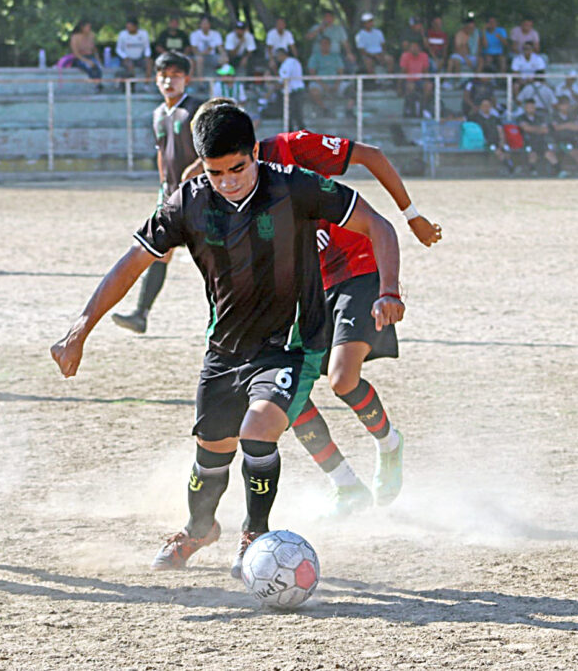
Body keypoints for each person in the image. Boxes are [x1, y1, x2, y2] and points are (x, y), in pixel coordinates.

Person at [51, 100, 404, 574]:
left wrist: (389, 290)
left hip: (293, 342)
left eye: (238, 168)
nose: (229, 181)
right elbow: (134, 261)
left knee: (257, 430)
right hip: (226, 349)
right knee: (211, 452)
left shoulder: (294, 188)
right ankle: (201, 529)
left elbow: (377, 225)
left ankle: (255, 534)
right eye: (217, 173)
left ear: (254, 153)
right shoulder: (188, 202)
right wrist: (81, 327)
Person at [255, 128, 439, 516]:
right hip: (308, 286)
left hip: (356, 268)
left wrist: (412, 216)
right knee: (287, 395)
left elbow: (371, 154)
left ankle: (389, 443)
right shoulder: (219, 190)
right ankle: (345, 486)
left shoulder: (291, 149)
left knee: (342, 379)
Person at [112, 52, 204, 334]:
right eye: (163, 74)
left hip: (201, 197)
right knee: (158, 252)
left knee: (215, 258)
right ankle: (141, 314)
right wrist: (163, 185)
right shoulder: (157, 114)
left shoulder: (196, 111)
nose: (169, 80)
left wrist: (194, 170)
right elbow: (162, 153)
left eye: (176, 74)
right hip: (171, 198)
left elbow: (214, 150)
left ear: (187, 78)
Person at [307, 36, 352, 117]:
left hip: (336, 82)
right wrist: (324, 85)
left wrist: (336, 84)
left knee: (351, 89)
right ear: (320, 45)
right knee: (313, 91)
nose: (325, 46)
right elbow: (312, 73)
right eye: (323, 44)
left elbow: (340, 72)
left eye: (327, 44)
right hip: (320, 83)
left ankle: (349, 110)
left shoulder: (336, 57)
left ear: (330, 45)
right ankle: (325, 109)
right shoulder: (315, 57)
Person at [468, 97, 514, 174]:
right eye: (484, 105)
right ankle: (510, 169)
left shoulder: (495, 118)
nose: (486, 107)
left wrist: (502, 141)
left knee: (506, 149)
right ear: (480, 107)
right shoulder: (476, 118)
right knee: (498, 152)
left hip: (497, 140)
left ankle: (506, 167)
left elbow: (500, 131)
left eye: (488, 105)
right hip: (485, 142)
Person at [517, 98, 562, 176]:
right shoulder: (521, 118)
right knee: (532, 152)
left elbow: (545, 130)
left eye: (532, 107)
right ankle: (532, 171)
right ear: (525, 108)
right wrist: (538, 129)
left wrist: (532, 129)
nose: (531, 109)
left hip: (540, 140)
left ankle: (559, 170)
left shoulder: (540, 117)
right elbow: (526, 128)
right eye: (529, 107)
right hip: (527, 141)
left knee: (549, 152)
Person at [550, 96, 578, 173]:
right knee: (573, 152)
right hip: (560, 141)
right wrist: (568, 125)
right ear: (558, 106)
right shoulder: (554, 116)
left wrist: (564, 126)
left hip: (573, 139)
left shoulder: (572, 116)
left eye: (566, 104)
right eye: (562, 104)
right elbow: (556, 127)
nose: (565, 106)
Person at [274, 48, 305, 130]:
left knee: (291, 116)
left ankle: (292, 135)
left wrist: (273, 88)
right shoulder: (295, 61)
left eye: (277, 57)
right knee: (297, 115)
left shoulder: (287, 64)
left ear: (282, 55)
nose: (277, 59)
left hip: (293, 93)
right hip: (299, 91)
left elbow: (284, 81)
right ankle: (302, 134)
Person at [399, 41, 432, 117]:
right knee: (410, 87)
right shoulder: (405, 56)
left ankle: (423, 107)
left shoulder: (424, 56)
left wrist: (427, 81)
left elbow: (425, 70)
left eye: (416, 47)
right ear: (409, 49)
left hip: (420, 80)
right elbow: (403, 71)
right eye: (412, 47)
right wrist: (399, 86)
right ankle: (410, 108)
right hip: (408, 80)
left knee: (429, 86)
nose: (414, 49)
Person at [68, 20, 104, 86]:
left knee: (97, 66)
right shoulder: (75, 37)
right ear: (82, 27)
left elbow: (94, 50)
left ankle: (98, 83)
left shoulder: (91, 35)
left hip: (90, 56)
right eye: (87, 27)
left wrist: (98, 59)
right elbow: (76, 53)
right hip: (80, 58)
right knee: (89, 66)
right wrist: (87, 61)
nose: (89, 28)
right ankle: (97, 84)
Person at [190, 16, 225, 81]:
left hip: (212, 57)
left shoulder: (216, 34)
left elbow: (220, 48)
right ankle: (200, 82)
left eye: (207, 23)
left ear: (210, 25)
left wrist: (224, 56)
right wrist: (203, 53)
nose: (205, 25)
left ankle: (222, 80)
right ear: (200, 25)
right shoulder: (194, 34)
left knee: (224, 59)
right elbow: (194, 50)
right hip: (199, 57)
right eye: (203, 24)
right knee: (199, 59)